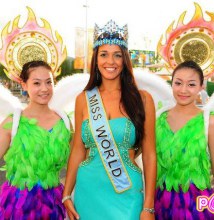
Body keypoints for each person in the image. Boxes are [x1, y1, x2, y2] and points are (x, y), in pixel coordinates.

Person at [63, 20, 156, 220]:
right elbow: (78, 149)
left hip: (127, 191)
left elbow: (149, 155)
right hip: (88, 190)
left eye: (117, 55)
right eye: (104, 54)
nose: (110, 62)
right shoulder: (84, 99)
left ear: (125, 60)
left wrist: (148, 207)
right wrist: (66, 194)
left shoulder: (143, 99)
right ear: (96, 59)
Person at [0, 60, 72, 219]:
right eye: (36, 83)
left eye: (49, 82)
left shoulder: (64, 122)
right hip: (17, 207)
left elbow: (76, 163)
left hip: (53, 204)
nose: (44, 89)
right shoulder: (13, 123)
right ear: (24, 85)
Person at [155, 60, 214, 219]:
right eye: (178, 83)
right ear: (172, 84)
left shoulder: (209, 122)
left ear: (201, 87)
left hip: (198, 206)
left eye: (191, 84)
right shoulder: (158, 119)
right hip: (161, 204)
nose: (183, 90)